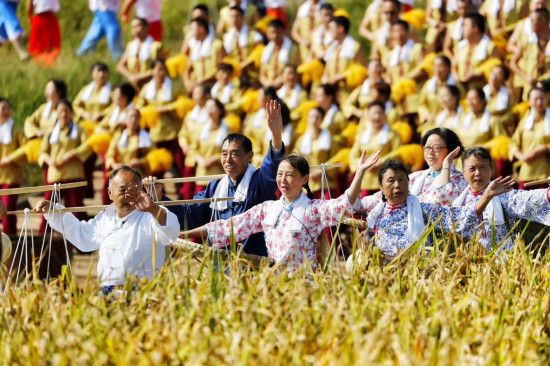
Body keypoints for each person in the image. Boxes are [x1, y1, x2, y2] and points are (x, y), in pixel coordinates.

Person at [180, 150, 382, 274]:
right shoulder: (267, 209)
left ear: (304, 179)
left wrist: (360, 172)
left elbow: (344, 204)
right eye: (280, 175)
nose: (283, 180)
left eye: (290, 176)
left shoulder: (314, 209)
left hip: (305, 284)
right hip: (274, 282)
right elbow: (229, 227)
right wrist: (185, 235)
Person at [150, 100, 286, 257]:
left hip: (254, 265)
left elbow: (272, 166)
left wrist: (276, 134)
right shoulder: (215, 187)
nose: (228, 160)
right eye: (224, 154)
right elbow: (189, 215)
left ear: (249, 156)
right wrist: (160, 196)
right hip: (222, 266)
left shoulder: (258, 181)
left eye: (234, 154)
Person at [34, 166, 179, 296]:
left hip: (143, 293)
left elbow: (170, 233)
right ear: (110, 193)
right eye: (123, 191)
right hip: (107, 294)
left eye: (134, 190)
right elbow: (83, 237)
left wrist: (153, 208)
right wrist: (53, 209)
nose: (128, 196)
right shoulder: (105, 218)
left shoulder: (151, 215)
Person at [355, 159, 515, 261]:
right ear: (381, 188)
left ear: (408, 183)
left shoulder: (424, 210)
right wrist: (360, 172)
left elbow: (461, 217)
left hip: (418, 273)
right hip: (383, 276)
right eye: (391, 181)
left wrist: (486, 196)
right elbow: (347, 206)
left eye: (401, 180)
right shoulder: (375, 215)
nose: (397, 185)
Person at [452, 147, 550, 253]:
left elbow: (528, 199)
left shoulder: (502, 194)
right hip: (468, 261)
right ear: (463, 172)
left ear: (491, 169)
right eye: (472, 168)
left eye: (483, 167)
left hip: (501, 261)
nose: (477, 173)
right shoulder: (459, 201)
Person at [38, 100, 92, 232]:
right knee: (47, 207)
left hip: (73, 173)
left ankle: (78, 239)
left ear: (71, 113)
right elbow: (42, 151)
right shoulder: (51, 131)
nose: (63, 114)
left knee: (74, 208)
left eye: (66, 111)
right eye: (60, 111)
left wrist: (72, 153)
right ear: (56, 113)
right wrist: (49, 160)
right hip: (55, 174)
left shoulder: (79, 130)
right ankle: (45, 238)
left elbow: (88, 147)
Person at [136, 58, 183, 178]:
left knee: (178, 162)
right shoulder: (146, 88)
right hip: (154, 131)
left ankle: (181, 190)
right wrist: (152, 111)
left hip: (173, 130)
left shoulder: (174, 86)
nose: (161, 73)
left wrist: (167, 108)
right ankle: (157, 192)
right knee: (156, 163)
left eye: (163, 70)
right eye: (158, 70)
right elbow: (139, 107)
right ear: (152, 71)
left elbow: (183, 103)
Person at [349, 101, 401, 197]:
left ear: (385, 115)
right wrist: (365, 165)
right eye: (374, 114)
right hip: (365, 183)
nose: (377, 117)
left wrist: (379, 162)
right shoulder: (361, 135)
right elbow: (353, 157)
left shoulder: (393, 134)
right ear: (368, 116)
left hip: (386, 181)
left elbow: (398, 154)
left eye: (380, 113)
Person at [104, 108, 153, 203]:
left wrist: (140, 161)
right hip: (120, 175)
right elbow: (109, 155)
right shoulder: (119, 136)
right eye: (130, 117)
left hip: (138, 175)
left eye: (136, 117)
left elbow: (154, 156)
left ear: (139, 120)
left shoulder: (145, 136)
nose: (133, 120)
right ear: (126, 120)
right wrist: (114, 164)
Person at [509, 87, 550, 189]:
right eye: (536, 99)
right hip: (527, 171)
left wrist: (546, 148)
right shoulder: (525, 121)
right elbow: (513, 144)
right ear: (529, 102)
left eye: (542, 98)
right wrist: (521, 156)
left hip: (545, 172)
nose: (539, 102)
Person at [295, 107, 338, 198]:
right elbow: (295, 159)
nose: (314, 120)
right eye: (311, 117)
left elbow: (336, 158)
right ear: (307, 119)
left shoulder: (329, 138)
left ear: (322, 119)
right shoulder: (301, 140)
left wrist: (322, 170)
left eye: (317, 117)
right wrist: (306, 173)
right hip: (307, 183)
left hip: (325, 183)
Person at [191, 98, 232, 192]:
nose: (209, 110)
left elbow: (231, 151)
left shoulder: (227, 130)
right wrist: (200, 160)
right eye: (207, 107)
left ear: (220, 110)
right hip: (202, 175)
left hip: (219, 175)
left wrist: (215, 158)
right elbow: (193, 149)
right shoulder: (201, 129)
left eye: (212, 107)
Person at [509, 8, 550, 102]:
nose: (530, 24)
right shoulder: (527, 41)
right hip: (531, 88)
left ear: (543, 21)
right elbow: (513, 63)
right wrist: (526, 77)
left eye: (533, 21)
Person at [321, 15, 366, 97]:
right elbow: (327, 69)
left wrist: (343, 76)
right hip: (332, 94)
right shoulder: (331, 48)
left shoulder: (355, 47)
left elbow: (362, 72)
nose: (329, 31)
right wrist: (325, 77)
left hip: (348, 93)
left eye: (331, 28)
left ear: (341, 29)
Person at [453, 13, 500, 90]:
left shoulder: (490, 47)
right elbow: (454, 65)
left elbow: (496, 67)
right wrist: (456, 76)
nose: (462, 29)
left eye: (465, 26)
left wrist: (478, 73)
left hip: (481, 90)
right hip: (461, 89)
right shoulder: (461, 46)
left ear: (475, 28)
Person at [0, 97, 26, 236]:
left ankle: (9, 239)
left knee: (8, 210)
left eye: (6, 108)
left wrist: (10, 158)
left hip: (10, 177)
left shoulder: (17, 129)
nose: (3, 111)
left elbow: (25, 150)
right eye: (1, 108)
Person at [178, 84, 209, 199]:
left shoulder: (212, 115)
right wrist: (184, 145)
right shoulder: (190, 115)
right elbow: (182, 134)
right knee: (188, 191)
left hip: (205, 158)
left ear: (207, 96)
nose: (194, 96)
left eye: (197, 93)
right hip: (191, 158)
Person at [116, 17, 163, 87]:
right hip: (133, 83)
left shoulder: (156, 46)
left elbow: (161, 68)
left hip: (150, 82)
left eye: (137, 26)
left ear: (146, 27)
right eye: (132, 27)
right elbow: (120, 66)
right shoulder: (131, 46)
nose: (134, 29)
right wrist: (131, 76)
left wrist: (141, 76)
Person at [183, 17, 224, 92]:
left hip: (215, 86)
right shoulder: (194, 47)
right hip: (197, 88)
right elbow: (187, 68)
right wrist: (188, 84)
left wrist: (203, 80)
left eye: (192, 29)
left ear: (201, 29)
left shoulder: (217, 45)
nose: (191, 33)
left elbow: (222, 69)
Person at [418, 55, 458, 127]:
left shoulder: (456, 86)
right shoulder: (428, 85)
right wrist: (427, 115)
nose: (438, 70)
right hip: (430, 124)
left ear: (448, 67)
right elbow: (421, 104)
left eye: (441, 66)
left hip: (449, 123)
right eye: (435, 66)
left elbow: (461, 105)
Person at [259, 19, 300, 88]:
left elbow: (298, 71)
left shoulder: (294, 49)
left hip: (287, 87)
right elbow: (262, 75)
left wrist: (282, 80)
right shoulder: (266, 50)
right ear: (268, 33)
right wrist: (269, 85)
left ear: (284, 32)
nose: (275, 36)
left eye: (277, 32)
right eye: (272, 32)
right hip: (269, 88)